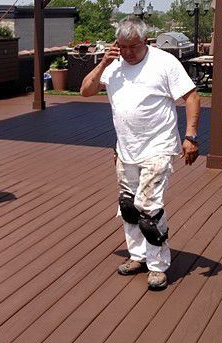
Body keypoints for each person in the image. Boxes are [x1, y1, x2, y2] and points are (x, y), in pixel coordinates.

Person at [80, 17, 200, 291]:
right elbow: (85, 91)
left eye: (132, 47)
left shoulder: (164, 63)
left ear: (146, 42)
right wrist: (103, 63)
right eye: (122, 46)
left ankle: (158, 266)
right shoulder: (114, 66)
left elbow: (192, 97)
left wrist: (191, 136)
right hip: (126, 150)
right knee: (128, 206)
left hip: (158, 147)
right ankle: (137, 256)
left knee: (149, 207)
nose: (127, 52)